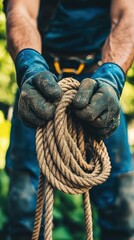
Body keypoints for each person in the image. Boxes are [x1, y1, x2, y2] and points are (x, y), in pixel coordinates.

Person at [3, 0, 134, 239]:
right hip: (39, 84)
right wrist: (30, 66)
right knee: (23, 205)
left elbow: (128, 15)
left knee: (122, 207)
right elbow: (21, 11)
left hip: (99, 82)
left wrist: (112, 77)